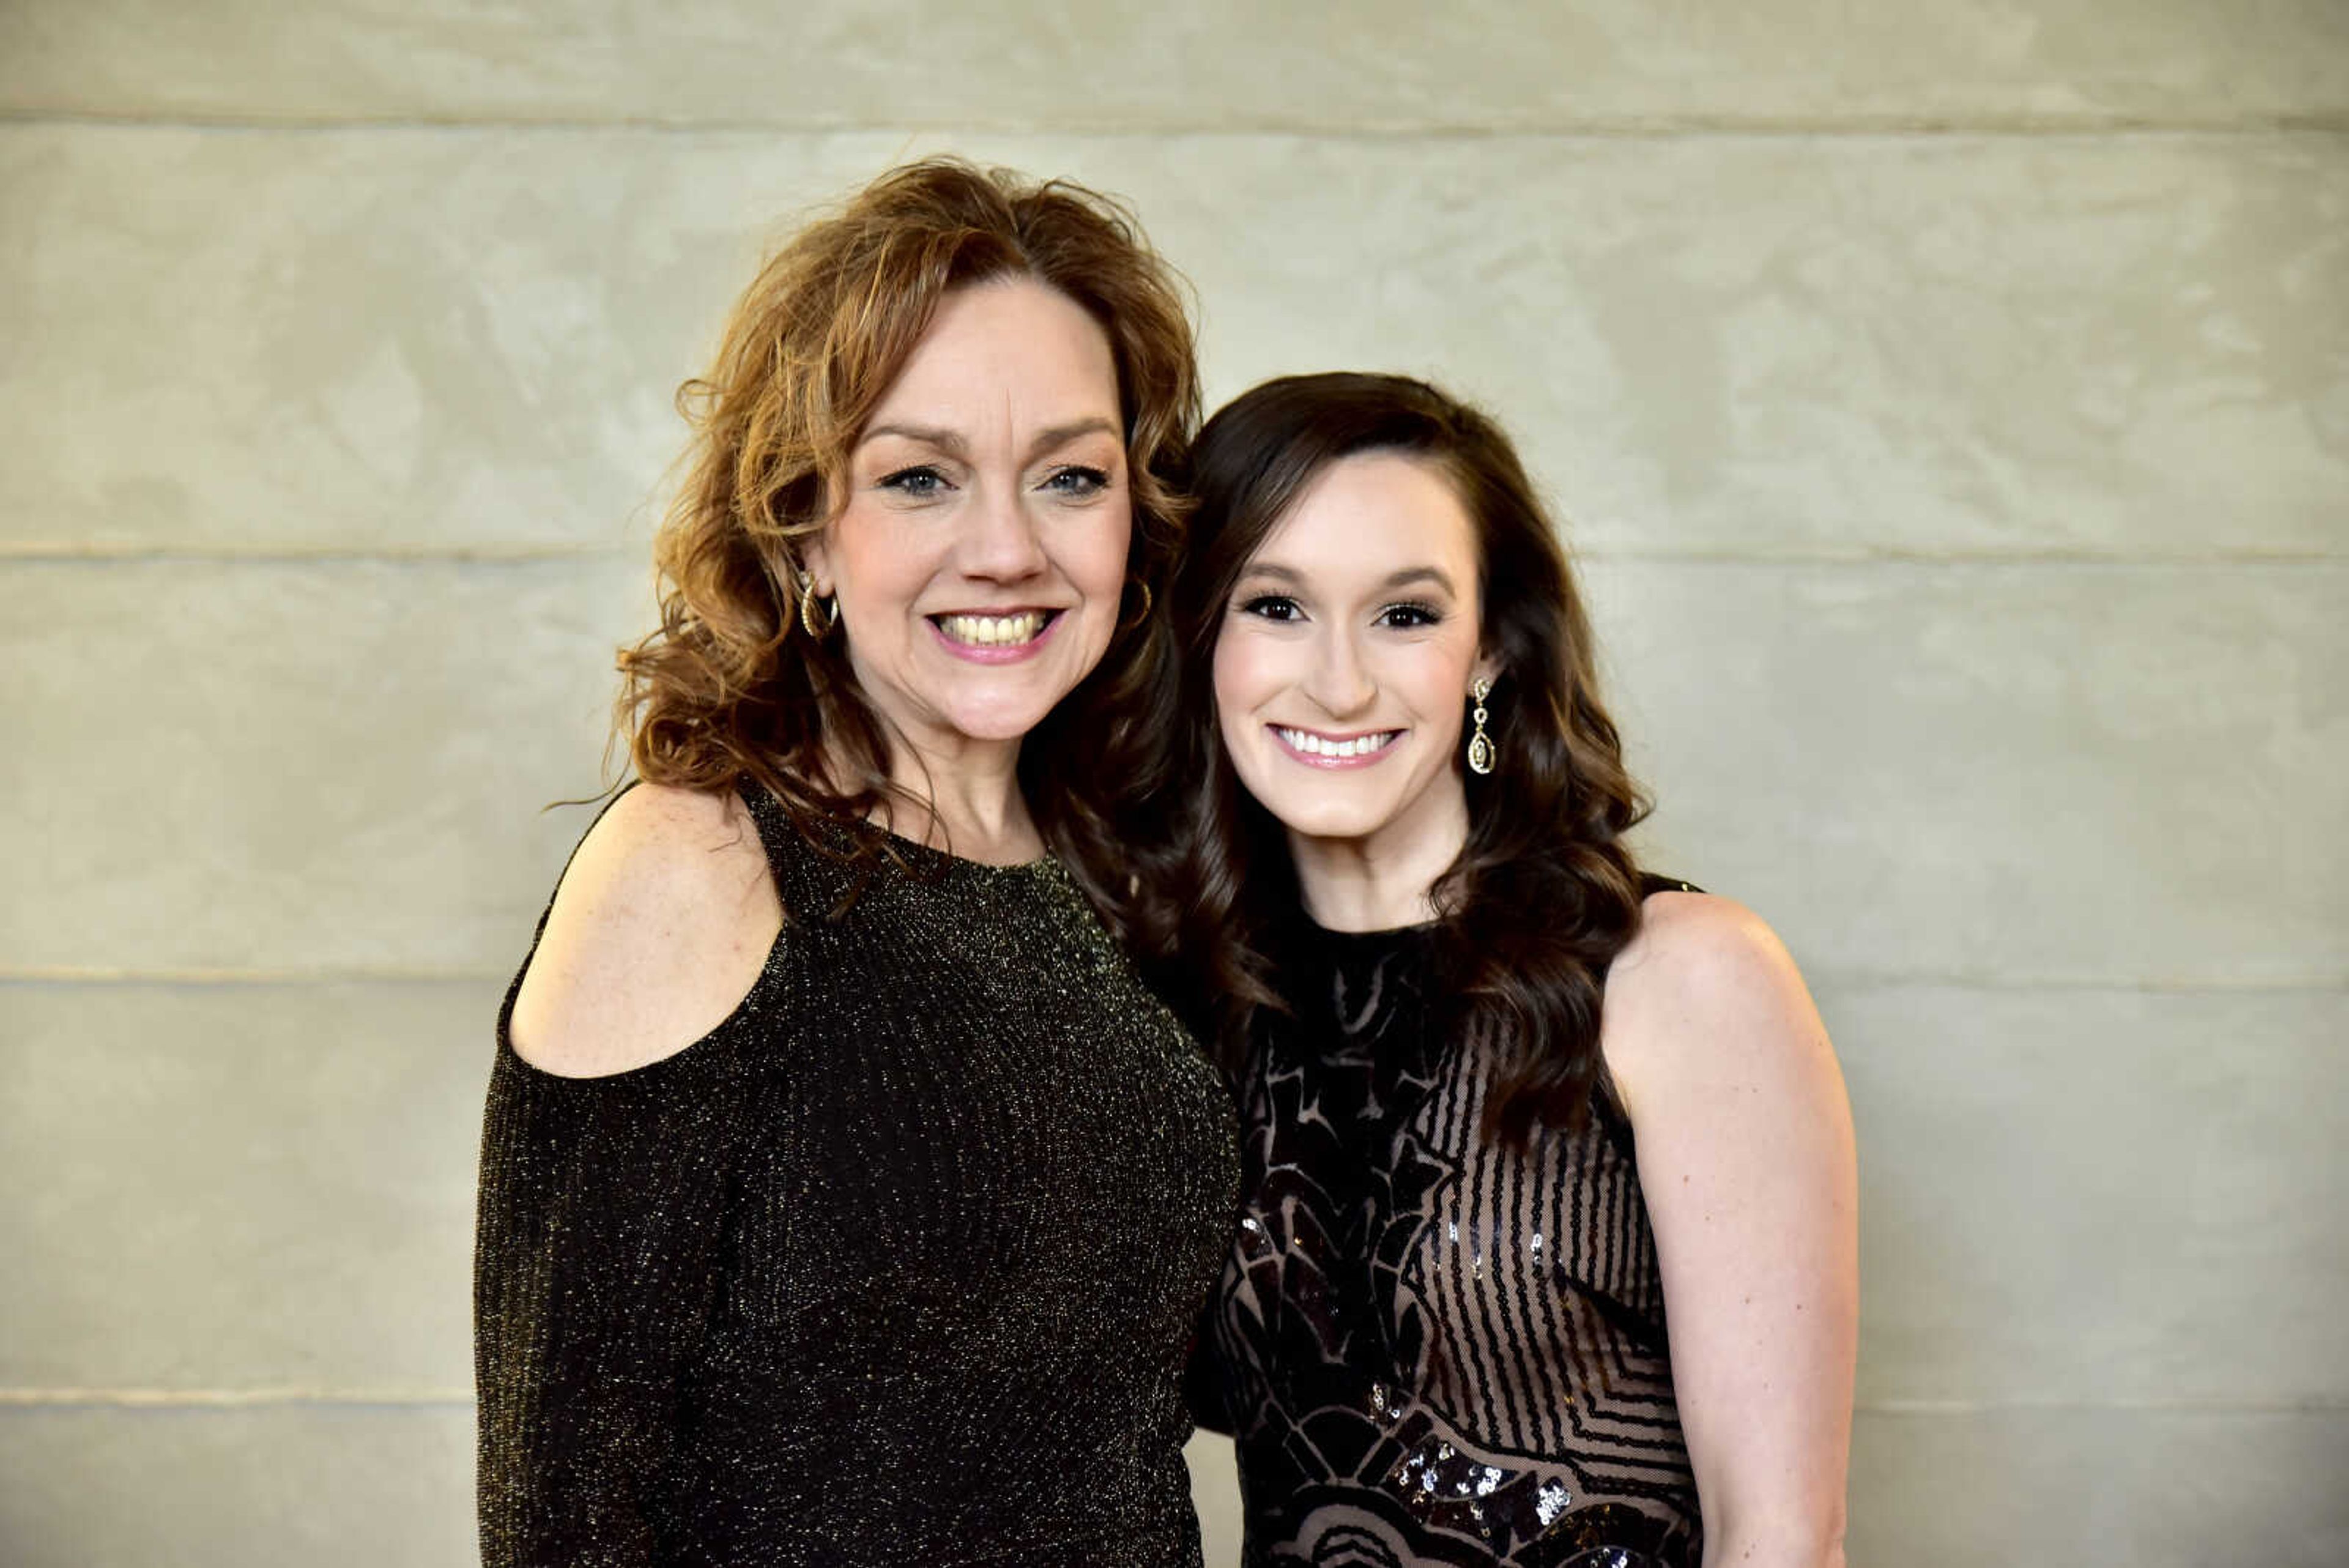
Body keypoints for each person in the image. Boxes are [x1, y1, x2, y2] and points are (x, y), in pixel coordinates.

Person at [472, 159, 1239, 1567]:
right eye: (920, 477)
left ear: (1136, 520)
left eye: (1071, 475)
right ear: (809, 524)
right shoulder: (703, 861)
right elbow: (562, 1516)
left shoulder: (1107, 870)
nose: (1007, 548)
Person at [1154, 374, 1857, 1567]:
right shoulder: (1188, 1010)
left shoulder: (1677, 979)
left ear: (1488, 656)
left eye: (1406, 615)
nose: (1338, 680)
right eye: (1275, 605)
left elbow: (1783, 1538)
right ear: (1202, 637)